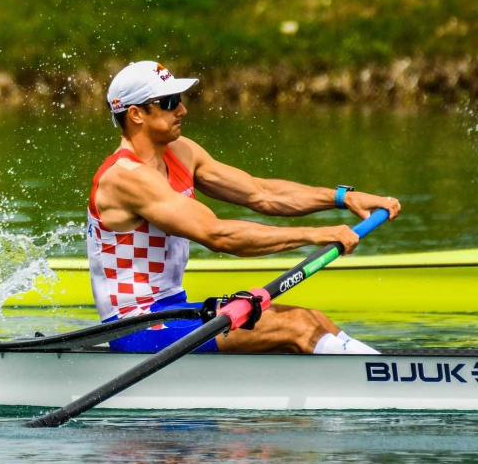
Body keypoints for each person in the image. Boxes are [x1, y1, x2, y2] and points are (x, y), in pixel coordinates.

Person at [88, 61, 401, 354]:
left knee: (313, 318)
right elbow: (218, 235)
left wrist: (342, 198)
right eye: (169, 102)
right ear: (136, 114)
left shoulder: (180, 152)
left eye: (179, 99)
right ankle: (387, 381)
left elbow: (260, 193)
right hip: (136, 325)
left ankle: (379, 373)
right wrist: (315, 235)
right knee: (297, 326)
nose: (182, 109)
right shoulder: (125, 178)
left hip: (174, 310)